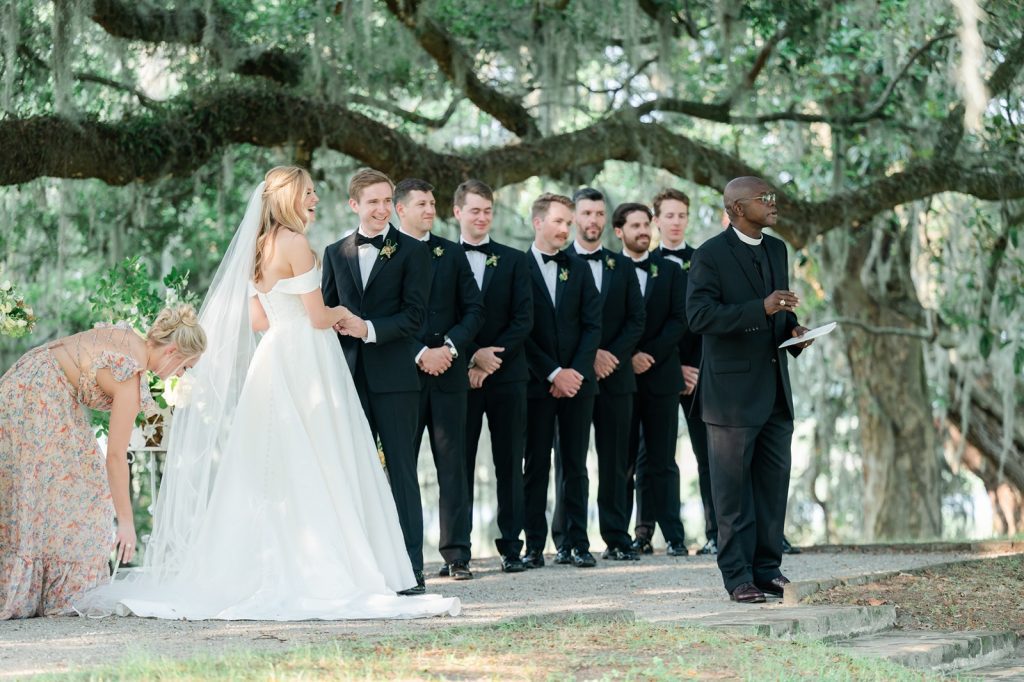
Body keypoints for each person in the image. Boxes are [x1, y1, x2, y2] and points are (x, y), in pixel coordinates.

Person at [75, 166, 459, 619]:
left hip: (275, 354)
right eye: (309, 193)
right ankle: (327, 566)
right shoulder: (296, 244)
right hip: (308, 358)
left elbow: (258, 320)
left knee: (271, 462)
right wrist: (342, 314)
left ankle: (262, 563)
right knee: (320, 455)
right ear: (289, 199)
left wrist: (298, 315)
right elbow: (317, 317)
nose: (316, 199)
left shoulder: (258, 247)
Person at [0, 306, 205, 618]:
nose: (180, 374)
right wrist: (126, 522)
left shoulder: (128, 338)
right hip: (39, 393)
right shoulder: (131, 376)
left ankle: (51, 587)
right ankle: (64, 592)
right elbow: (115, 457)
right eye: (185, 367)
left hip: (30, 379)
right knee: (89, 487)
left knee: (53, 484)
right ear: (173, 351)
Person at [686, 176, 811, 604]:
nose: (774, 204)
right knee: (733, 492)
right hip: (731, 398)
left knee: (772, 487)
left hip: (776, 389)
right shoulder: (709, 255)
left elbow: (777, 315)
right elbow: (700, 317)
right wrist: (761, 307)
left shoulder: (777, 250)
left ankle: (767, 569)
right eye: (766, 199)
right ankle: (737, 576)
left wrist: (794, 331)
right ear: (738, 208)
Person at [321, 168, 434, 594]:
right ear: (354, 205)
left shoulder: (412, 252)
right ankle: (359, 569)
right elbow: (327, 310)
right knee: (352, 472)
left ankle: (411, 569)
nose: (382, 209)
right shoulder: (334, 253)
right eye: (373, 201)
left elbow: (415, 316)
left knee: (402, 472)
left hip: (396, 378)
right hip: (348, 380)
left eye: (388, 201)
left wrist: (367, 328)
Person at [393, 178, 484, 581]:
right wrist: (418, 351)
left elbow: (474, 310)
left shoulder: (451, 253)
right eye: (422, 204)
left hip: (449, 375)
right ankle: (400, 556)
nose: (430, 210)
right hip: (403, 378)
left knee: (454, 465)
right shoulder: (386, 253)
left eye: (432, 203)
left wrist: (448, 349)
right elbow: (382, 312)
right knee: (401, 466)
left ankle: (457, 554)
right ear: (400, 210)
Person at [551, 188, 645, 562]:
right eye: (586, 213)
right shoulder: (558, 262)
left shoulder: (621, 266)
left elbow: (636, 319)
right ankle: (569, 540)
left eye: (599, 214)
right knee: (570, 461)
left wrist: (610, 356)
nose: (593, 221)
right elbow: (555, 323)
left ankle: (618, 537)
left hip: (617, 377)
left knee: (617, 462)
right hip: (574, 378)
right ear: (575, 217)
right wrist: (587, 359)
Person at [522, 193, 602, 568]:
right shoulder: (517, 267)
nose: (565, 229)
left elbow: (592, 325)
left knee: (575, 465)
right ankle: (534, 545)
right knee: (536, 463)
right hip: (536, 383)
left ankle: (577, 542)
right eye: (559, 222)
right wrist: (552, 372)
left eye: (568, 223)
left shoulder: (579, 267)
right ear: (538, 222)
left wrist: (574, 373)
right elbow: (521, 329)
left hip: (578, 383)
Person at [458, 180, 534, 573]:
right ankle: (459, 552)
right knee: (459, 463)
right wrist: (471, 358)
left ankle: (511, 548)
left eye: (487, 210)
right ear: (457, 212)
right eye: (475, 210)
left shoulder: (514, 259)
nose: (482, 217)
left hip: (507, 376)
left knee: (510, 463)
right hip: (459, 377)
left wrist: (491, 360)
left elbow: (524, 319)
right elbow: (438, 317)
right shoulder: (441, 257)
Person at [614, 203, 690, 558]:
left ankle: (674, 535)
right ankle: (630, 536)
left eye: (646, 224)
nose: (643, 231)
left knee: (663, 460)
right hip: (620, 377)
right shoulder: (608, 270)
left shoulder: (671, 271)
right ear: (620, 231)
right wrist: (629, 356)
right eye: (635, 225)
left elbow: (679, 320)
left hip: (661, 376)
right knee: (625, 460)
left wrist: (651, 356)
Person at [650, 187, 716, 556]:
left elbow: (708, 320)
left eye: (681, 216)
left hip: (701, 374)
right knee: (654, 457)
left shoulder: (703, 260)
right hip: (659, 372)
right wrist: (671, 367)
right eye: (669, 215)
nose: (675, 222)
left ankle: (716, 533)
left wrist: (695, 369)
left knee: (708, 456)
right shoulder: (645, 262)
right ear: (656, 219)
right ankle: (657, 534)